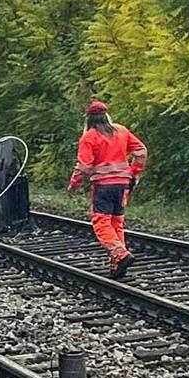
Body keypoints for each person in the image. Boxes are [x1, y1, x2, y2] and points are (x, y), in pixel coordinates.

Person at [67, 101, 147, 279]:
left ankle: (121, 254)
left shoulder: (89, 137)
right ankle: (117, 263)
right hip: (123, 185)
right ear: (107, 115)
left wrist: (74, 184)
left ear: (88, 119)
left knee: (101, 222)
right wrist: (134, 172)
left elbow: (84, 167)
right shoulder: (121, 131)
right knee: (116, 222)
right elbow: (141, 152)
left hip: (103, 186)